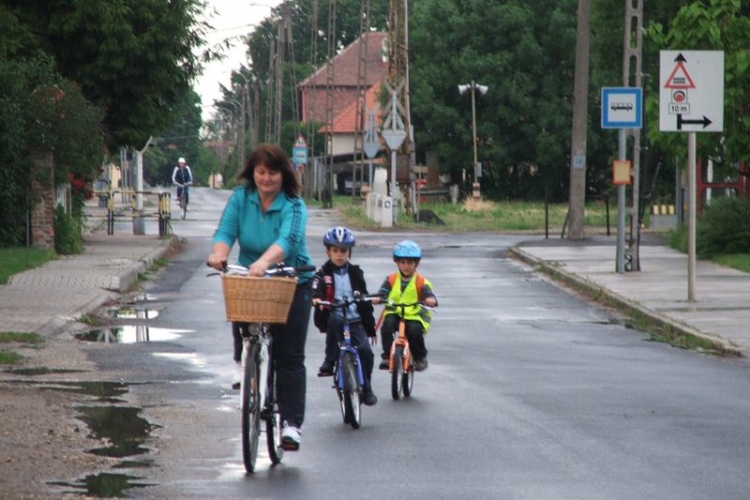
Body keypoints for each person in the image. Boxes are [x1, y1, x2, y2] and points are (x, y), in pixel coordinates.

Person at [207, 144, 314, 451]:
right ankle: (243, 361)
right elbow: (225, 231)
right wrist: (219, 254)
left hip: (291, 278)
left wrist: (265, 263)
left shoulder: (294, 205)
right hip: (250, 275)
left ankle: (291, 424)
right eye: (261, 172)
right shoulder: (241, 198)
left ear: (284, 174)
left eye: (273, 172)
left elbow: (289, 240)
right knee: (239, 296)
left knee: (289, 356)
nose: (266, 178)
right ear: (252, 173)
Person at [311, 227, 378, 406]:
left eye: (343, 251)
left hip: (355, 320)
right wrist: (317, 298)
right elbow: (316, 287)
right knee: (336, 319)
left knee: (365, 352)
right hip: (333, 316)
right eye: (335, 251)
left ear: (349, 252)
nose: (339, 255)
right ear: (328, 252)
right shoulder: (322, 273)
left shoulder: (356, 272)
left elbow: (364, 299)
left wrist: (370, 327)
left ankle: (368, 388)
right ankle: (330, 359)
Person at [374, 240, 438, 371]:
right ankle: (387, 356)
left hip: (415, 316)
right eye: (402, 262)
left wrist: (430, 299)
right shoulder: (391, 279)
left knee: (414, 330)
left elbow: (428, 294)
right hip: (396, 312)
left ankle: (420, 357)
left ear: (416, 264)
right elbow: (383, 292)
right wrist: (378, 298)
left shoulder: (421, 282)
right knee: (387, 325)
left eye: (410, 262)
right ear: (396, 262)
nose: (406, 266)